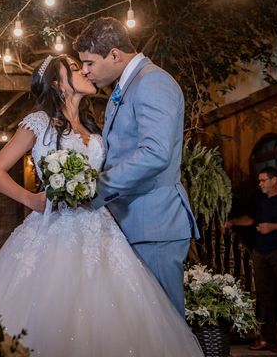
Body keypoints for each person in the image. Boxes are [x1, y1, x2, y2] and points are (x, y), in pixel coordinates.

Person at [0, 54, 203, 356]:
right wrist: (31, 199)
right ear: (58, 84)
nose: (83, 71)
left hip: (101, 228)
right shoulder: (39, 123)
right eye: (73, 68)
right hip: (53, 232)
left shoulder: (95, 127)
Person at [73, 16, 200, 316]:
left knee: (165, 329)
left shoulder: (152, 81)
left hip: (153, 224)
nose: (85, 71)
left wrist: (97, 187)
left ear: (115, 54)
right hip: (135, 223)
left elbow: (155, 154)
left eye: (89, 63)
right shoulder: (129, 85)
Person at [224, 166, 277, 353]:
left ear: (274, 180)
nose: (260, 184)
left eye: (263, 180)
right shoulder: (259, 199)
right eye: (259, 181)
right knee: (264, 296)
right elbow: (251, 220)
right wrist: (232, 222)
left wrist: (272, 227)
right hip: (260, 252)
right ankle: (267, 338)